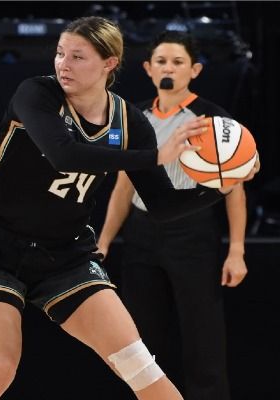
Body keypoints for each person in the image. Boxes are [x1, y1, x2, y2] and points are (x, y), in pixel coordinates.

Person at [0, 16, 259, 400]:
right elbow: (63, 154)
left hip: (64, 256)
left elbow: (162, 206)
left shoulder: (129, 122)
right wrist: (156, 155)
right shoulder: (36, 93)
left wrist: (223, 185)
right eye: (60, 53)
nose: (63, 64)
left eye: (77, 56)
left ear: (109, 63)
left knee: (141, 366)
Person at [96, 30, 249, 400]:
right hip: (141, 234)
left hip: (192, 233)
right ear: (148, 69)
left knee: (203, 336)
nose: (169, 68)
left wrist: (237, 250)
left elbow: (234, 187)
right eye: (161, 61)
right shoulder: (134, 118)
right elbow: (123, 186)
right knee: (139, 340)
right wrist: (103, 242)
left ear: (194, 70)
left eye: (178, 62)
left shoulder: (214, 120)